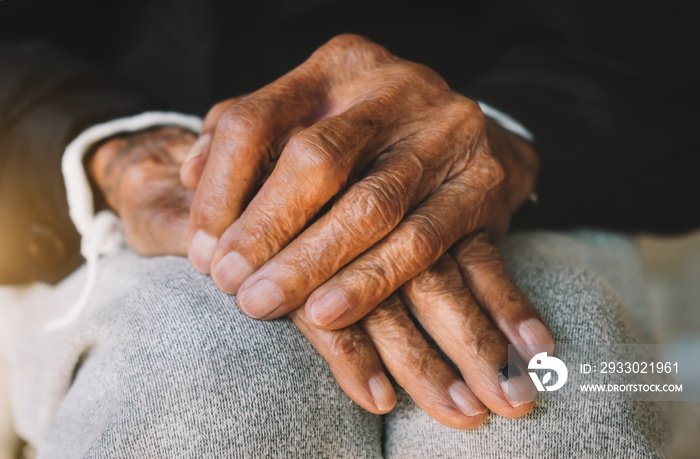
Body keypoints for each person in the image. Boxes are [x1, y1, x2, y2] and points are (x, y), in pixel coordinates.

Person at [0, 0, 697, 457]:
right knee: (200, 362)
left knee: (537, 392)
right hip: (109, 171)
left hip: (498, 152)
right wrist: (118, 151)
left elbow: (649, 43)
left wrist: (498, 141)